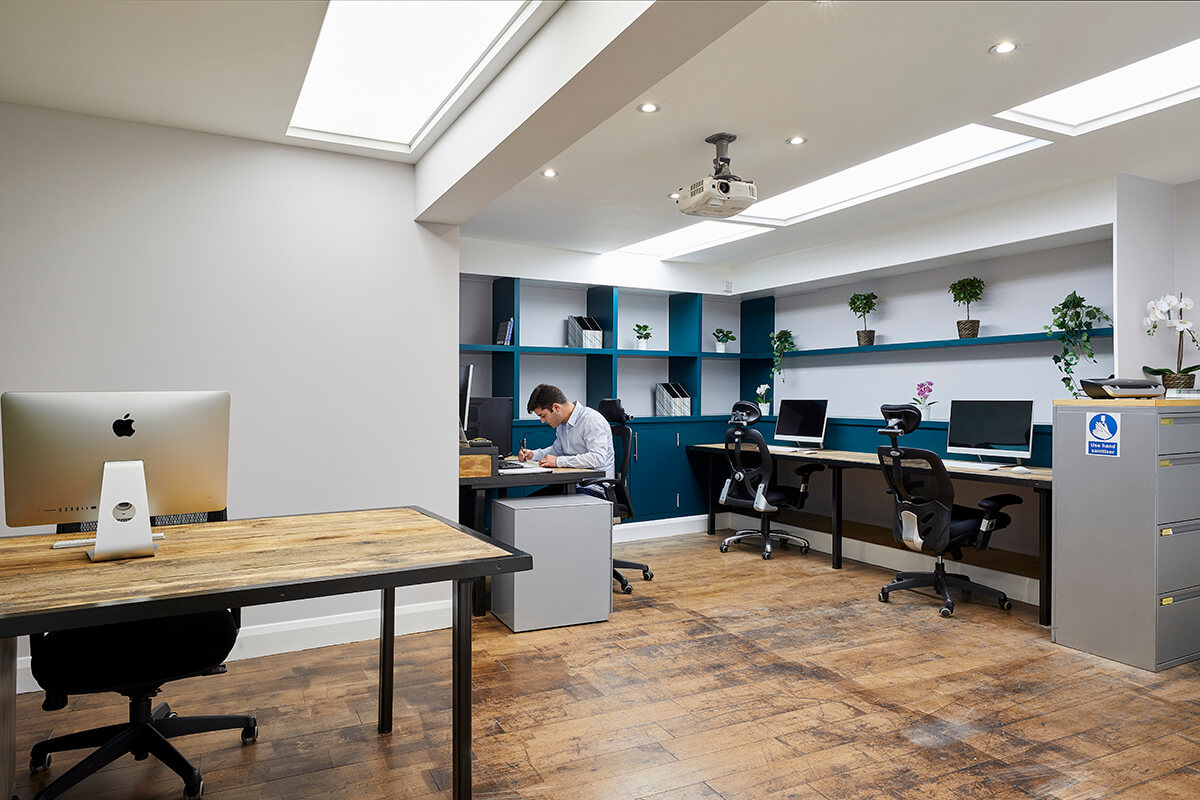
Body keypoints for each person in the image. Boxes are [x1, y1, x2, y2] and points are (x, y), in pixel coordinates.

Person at [518, 384, 614, 494]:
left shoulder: (591, 420)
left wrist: (559, 461)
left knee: (542, 508)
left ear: (556, 407)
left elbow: (597, 458)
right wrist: (533, 455)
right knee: (531, 503)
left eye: (543, 416)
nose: (542, 421)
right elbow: (557, 451)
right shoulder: (562, 425)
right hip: (571, 484)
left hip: (593, 488)